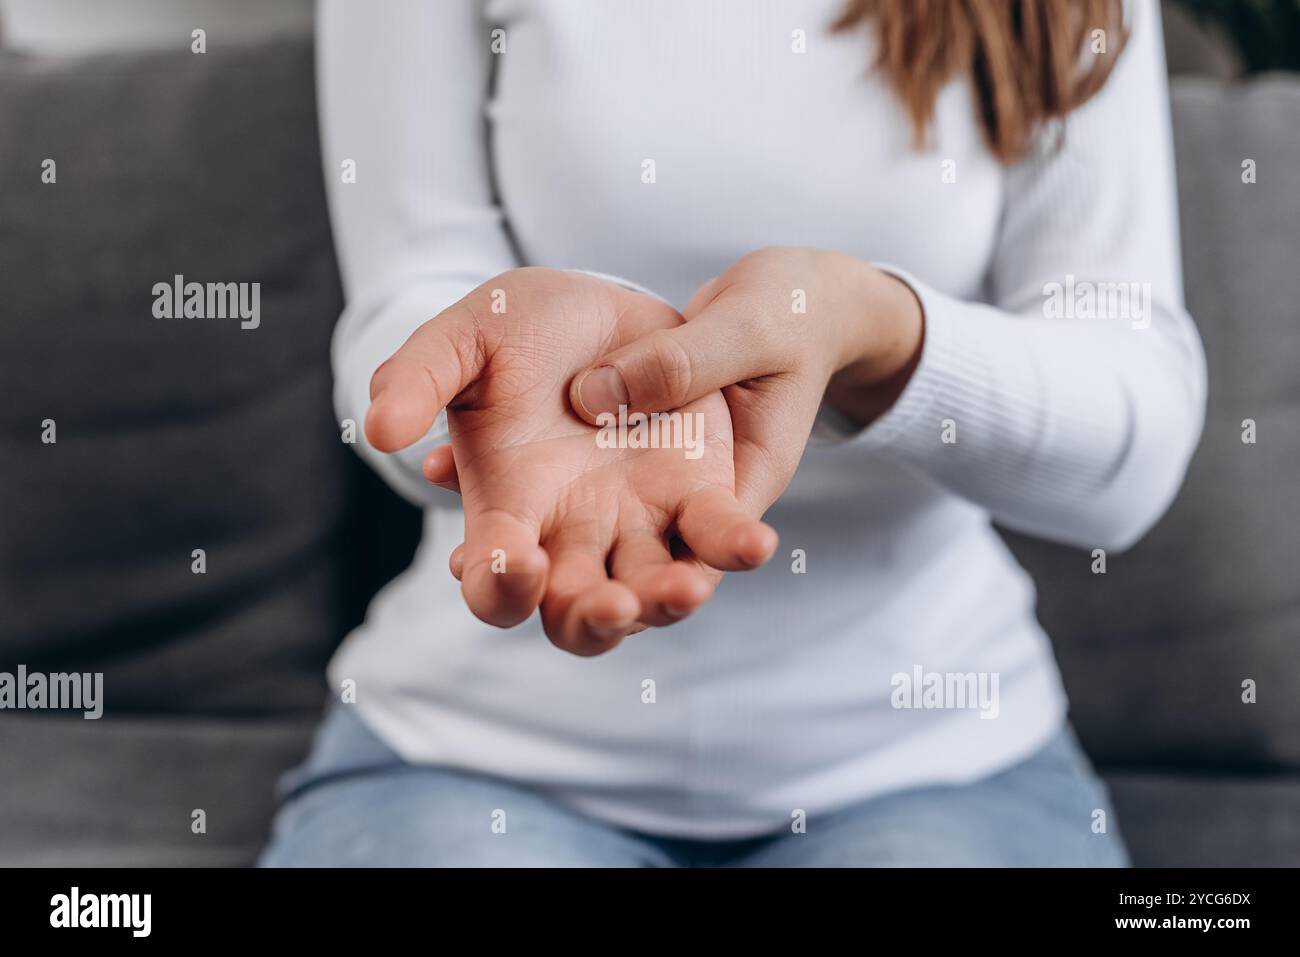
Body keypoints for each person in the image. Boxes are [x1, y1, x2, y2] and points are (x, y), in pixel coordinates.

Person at [261, 0, 1205, 867]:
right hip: (474, 755)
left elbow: (1133, 448)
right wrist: (499, 394)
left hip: (933, 758)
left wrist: (879, 337)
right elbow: (404, 322)